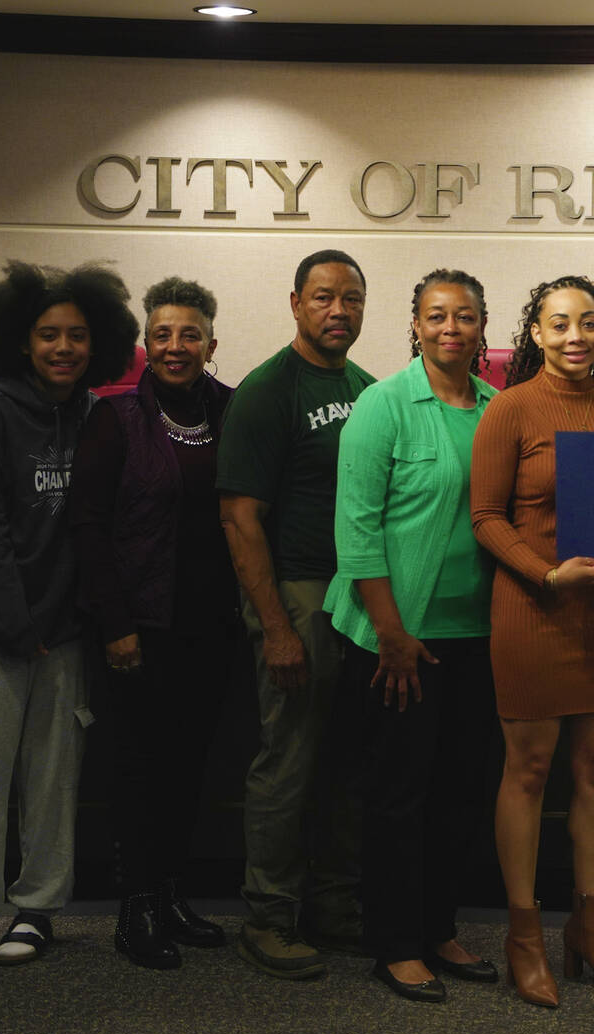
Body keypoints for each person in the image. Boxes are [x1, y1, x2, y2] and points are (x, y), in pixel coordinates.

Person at [0, 262, 135, 972]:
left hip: (67, 633)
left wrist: (60, 622)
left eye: (77, 336)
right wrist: (20, 621)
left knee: (54, 782)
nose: (63, 348)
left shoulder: (98, 416)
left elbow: (99, 527)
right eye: (48, 335)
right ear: (20, 341)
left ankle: (37, 909)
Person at [471, 276, 594, 1008]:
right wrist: (547, 574)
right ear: (536, 334)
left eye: (588, 324)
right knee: (529, 772)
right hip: (533, 609)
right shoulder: (511, 408)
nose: (576, 336)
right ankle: (524, 937)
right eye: (559, 325)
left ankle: (591, 932)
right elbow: (485, 516)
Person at [328, 268, 501, 1004]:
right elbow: (357, 530)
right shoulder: (382, 404)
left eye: (464, 316)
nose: (451, 328)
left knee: (461, 793)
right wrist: (392, 634)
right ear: (415, 325)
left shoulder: (499, 408)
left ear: (481, 326)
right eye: (437, 316)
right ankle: (394, 943)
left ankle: (438, 927)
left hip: (476, 636)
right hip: (395, 640)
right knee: (398, 795)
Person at [217, 250, 375, 979]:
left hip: (360, 597)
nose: (337, 310)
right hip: (299, 597)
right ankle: (269, 917)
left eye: (350, 299)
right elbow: (240, 519)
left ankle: (334, 908)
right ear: (295, 304)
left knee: (348, 760)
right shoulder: (266, 391)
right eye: (322, 298)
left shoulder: (371, 390)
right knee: (289, 763)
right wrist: (276, 625)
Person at [70, 277, 236, 969]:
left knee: (187, 769)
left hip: (210, 626)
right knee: (137, 771)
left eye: (189, 334)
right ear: (146, 344)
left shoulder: (232, 410)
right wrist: (115, 625)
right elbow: (88, 528)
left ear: (210, 343)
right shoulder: (114, 418)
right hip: (137, 626)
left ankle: (171, 894)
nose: (175, 347)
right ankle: (135, 910)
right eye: (163, 335)